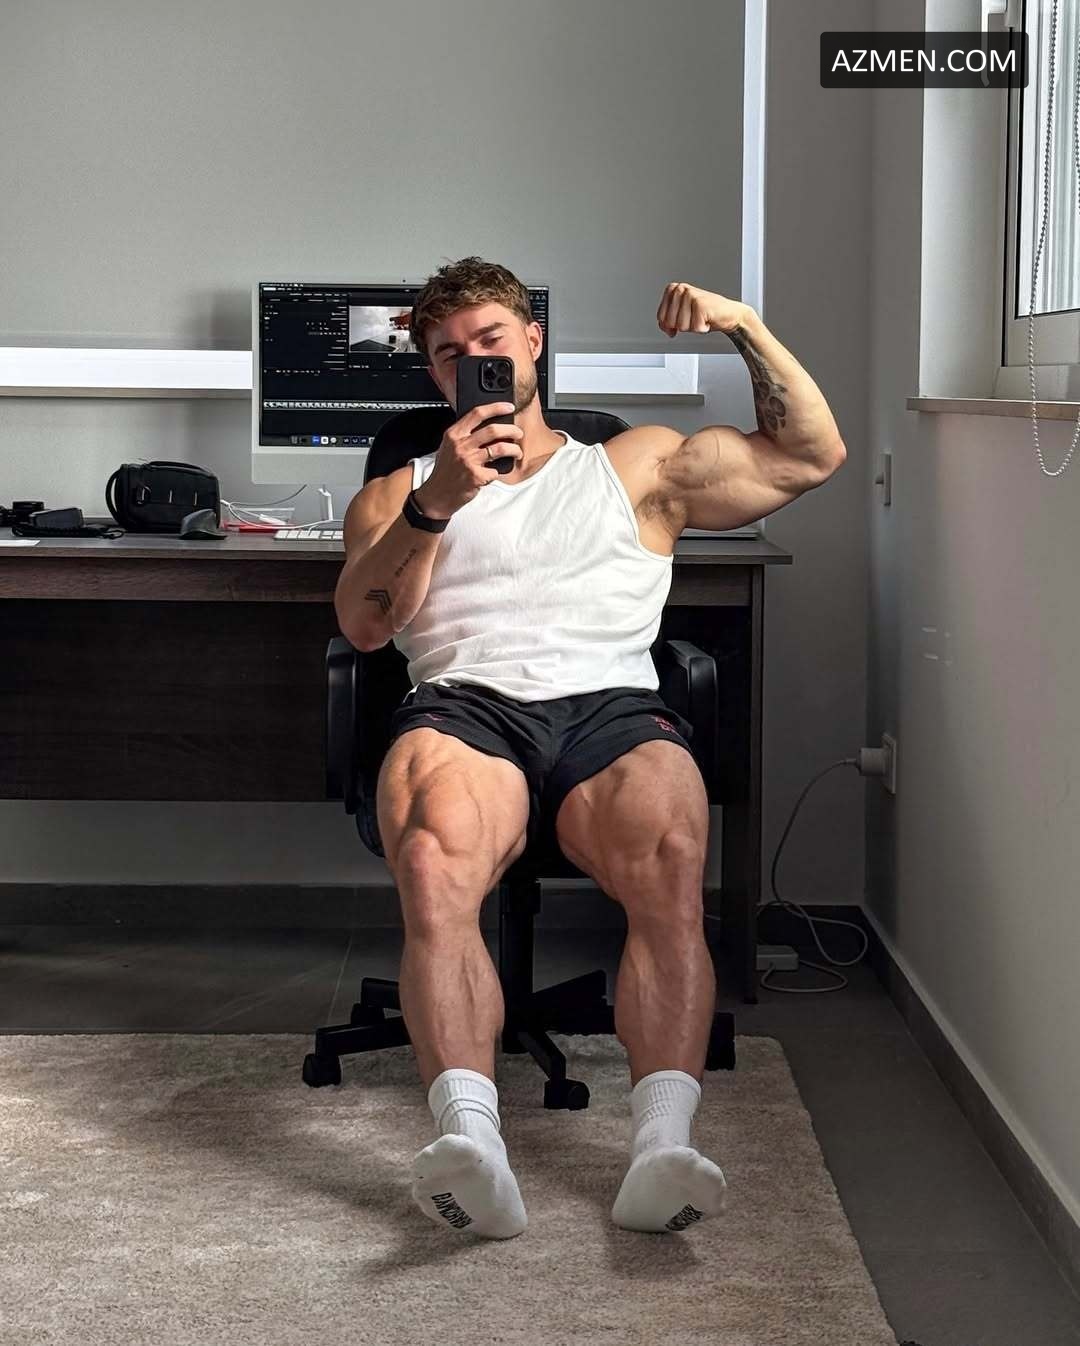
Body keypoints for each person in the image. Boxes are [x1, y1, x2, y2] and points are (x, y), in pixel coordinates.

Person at [334, 256, 846, 1239]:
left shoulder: (633, 465)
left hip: (610, 708)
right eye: (449, 352)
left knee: (672, 852)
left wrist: (741, 324)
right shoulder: (398, 491)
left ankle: (661, 1147)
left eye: (491, 339)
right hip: (466, 709)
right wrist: (439, 501)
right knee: (434, 859)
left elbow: (807, 456)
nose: (473, 360)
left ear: (532, 341)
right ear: (433, 374)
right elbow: (363, 625)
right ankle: (473, 1146)